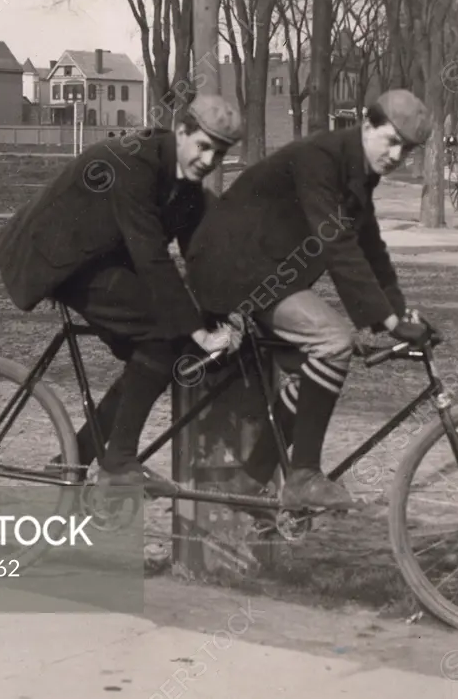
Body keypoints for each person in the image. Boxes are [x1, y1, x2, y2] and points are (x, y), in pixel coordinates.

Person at [185, 90, 440, 512]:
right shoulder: (321, 158)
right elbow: (337, 242)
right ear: (366, 124)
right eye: (392, 141)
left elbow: (369, 245)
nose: (397, 155)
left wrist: (398, 311)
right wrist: (390, 323)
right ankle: (302, 475)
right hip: (231, 267)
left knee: (316, 369)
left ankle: (251, 478)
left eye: (407, 149)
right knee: (334, 340)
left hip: (264, 269)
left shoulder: (357, 168)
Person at [0, 95, 245, 495]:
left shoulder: (186, 185)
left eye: (220, 153)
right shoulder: (137, 164)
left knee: (158, 352)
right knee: (162, 336)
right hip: (54, 257)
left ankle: (77, 453)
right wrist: (198, 332)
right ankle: (119, 463)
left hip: (99, 254)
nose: (209, 160)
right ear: (181, 132)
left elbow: (199, 255)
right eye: (203, 146)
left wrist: (222, 316)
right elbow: (150, 258)